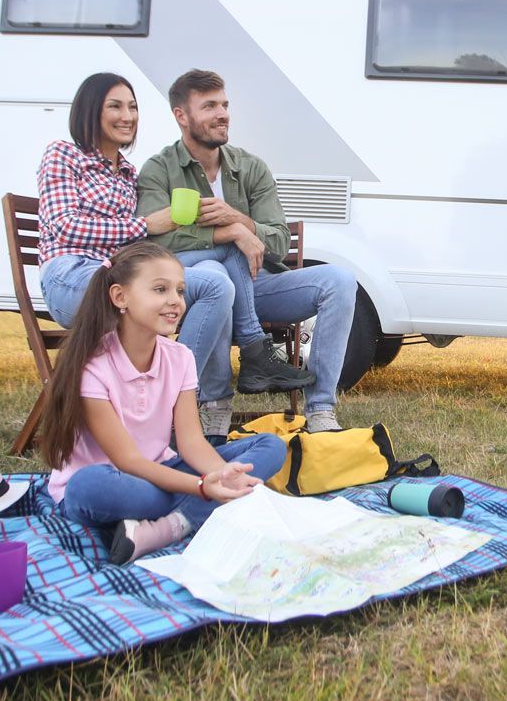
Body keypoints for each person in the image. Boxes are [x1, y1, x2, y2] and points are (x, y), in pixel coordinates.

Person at [137, 69, 357, 435]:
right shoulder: (159, 170)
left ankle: (320, 410)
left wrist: (242, 222)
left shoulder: (250, 168)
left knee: (340, 280)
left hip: (259, 287)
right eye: (209, 106)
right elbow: (155, 243)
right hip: (196, 290)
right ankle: (215, 403)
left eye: (224, 104)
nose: (223, 113)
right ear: (181, 116)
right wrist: (230, 233)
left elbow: (278, 241)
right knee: (214, 272)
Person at [38, 240, 287, 565]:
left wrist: (222, 476)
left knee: (272, 446)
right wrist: (200, 488)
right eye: (160, 290)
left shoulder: (180, 357)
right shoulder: (93, 366)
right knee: (87, 487)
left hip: (163, 468)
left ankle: (171, 526)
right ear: (120, 297)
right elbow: (128, 461)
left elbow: (192, 443)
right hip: (114, 480)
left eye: (180, 291)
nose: (175, 302)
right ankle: (201, 509)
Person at [36, 73, 231, 405]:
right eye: (115, 106)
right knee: (206, 282)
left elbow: (139, 243)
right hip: (71, 276)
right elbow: (64, 225)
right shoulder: (64, 155)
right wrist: (144, 225)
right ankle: (171, 403)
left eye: (133, 107)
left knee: (216, 274)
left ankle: (194, 398)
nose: (127, 116)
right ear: (90, 111)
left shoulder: (129, 173)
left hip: (120, 275)